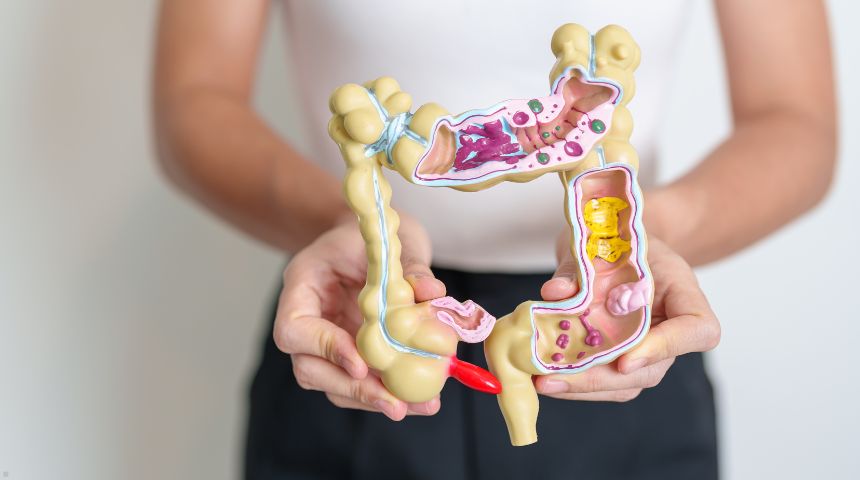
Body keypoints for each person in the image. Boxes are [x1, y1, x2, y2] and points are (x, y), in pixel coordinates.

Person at [153, 1, 836, 478]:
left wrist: (648, 232)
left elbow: (796, 121)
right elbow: (195, 97)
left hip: (627, 339)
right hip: (359, 305)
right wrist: (354, 225)